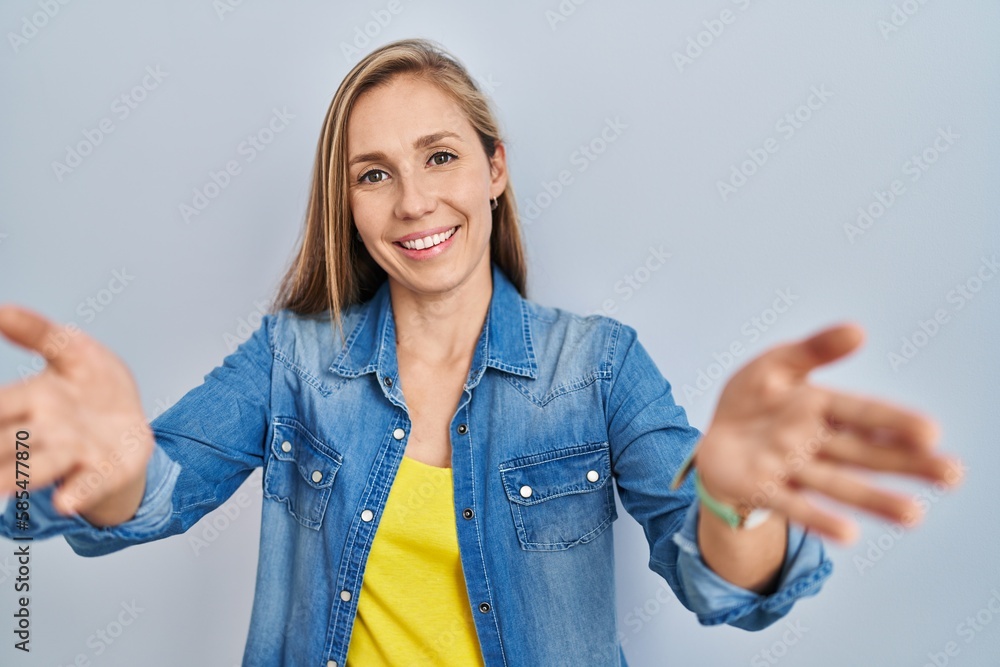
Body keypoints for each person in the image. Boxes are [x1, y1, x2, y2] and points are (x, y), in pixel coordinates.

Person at [0, 38, 961, 667]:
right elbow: (156, 491)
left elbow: (719, 582)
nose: (414, 201)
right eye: (373, 174)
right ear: (347, 204)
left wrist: (734, 496)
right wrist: (109, 468)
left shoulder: (597, 366)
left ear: (494, 169)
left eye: (442, 156)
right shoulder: (294, 360)